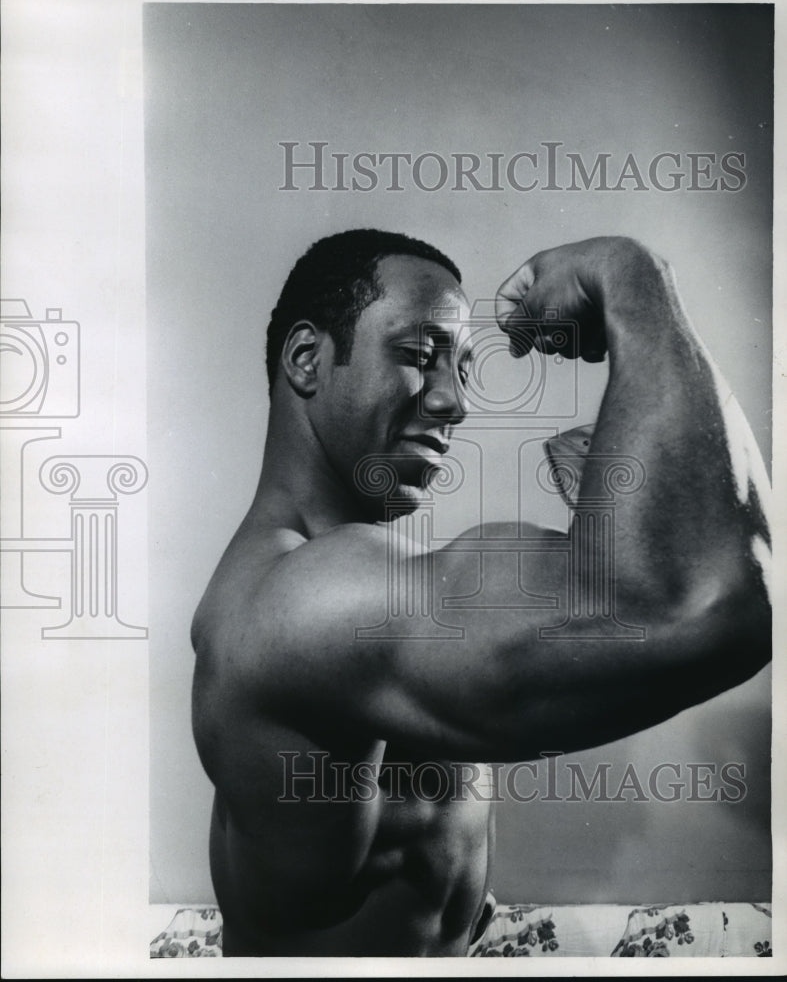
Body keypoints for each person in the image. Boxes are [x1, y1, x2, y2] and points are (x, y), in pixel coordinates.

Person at [191, 229, 771, 956]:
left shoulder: (343, 578)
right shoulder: (301, 602)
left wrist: (610, 526)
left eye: (462, 368)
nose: (453, 402)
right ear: (307, 359)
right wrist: (631, 274)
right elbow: (711, 608)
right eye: (415, 355)